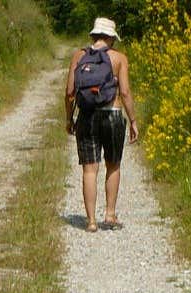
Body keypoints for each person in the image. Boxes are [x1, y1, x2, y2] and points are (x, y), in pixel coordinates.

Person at [66, 17, 139, 233]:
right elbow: (124, 92)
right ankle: (109, 214)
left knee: (90, 169)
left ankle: (90, 221)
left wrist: (69, 119)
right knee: (113, 164)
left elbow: (69, 93)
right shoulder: (118, 58)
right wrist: (133, 120)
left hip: (86, 116)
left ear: (93, 35)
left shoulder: (79, 56)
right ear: (111, 39)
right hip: (112, 114)